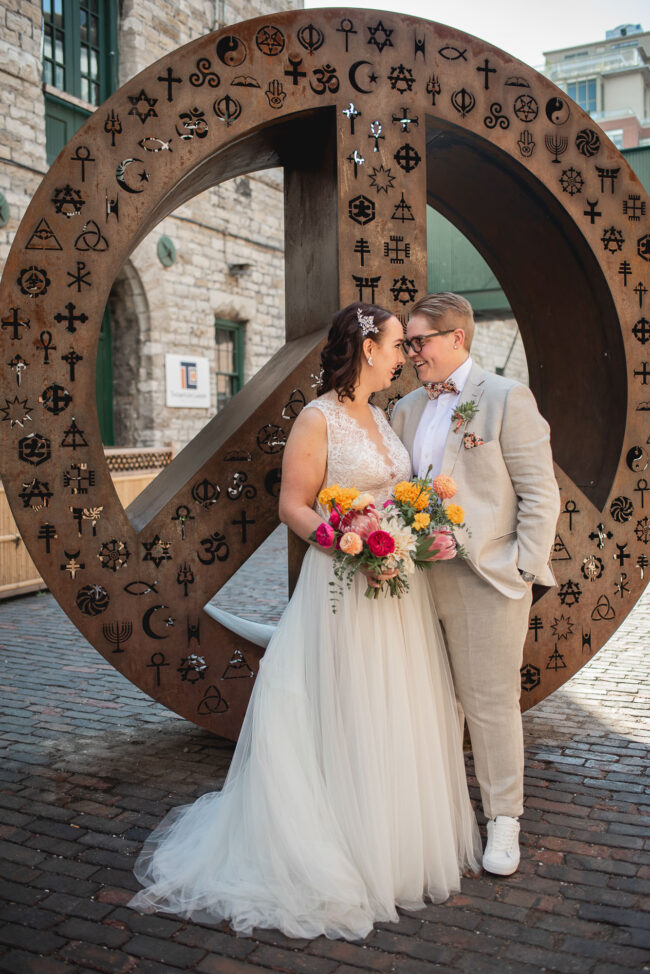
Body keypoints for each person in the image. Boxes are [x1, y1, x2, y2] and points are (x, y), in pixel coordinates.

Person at [127, 302, 482, 941]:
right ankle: (342, 844)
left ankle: (393, 842)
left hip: (397, 585)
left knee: (391, 704)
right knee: (346, 701)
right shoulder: (316, 420)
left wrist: (410, 534)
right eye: (399, 344)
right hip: (345, 578)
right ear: (369, 349)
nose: (405, 354)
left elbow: (401, 492)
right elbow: (292, 503)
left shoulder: (381, 417)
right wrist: (344, 541)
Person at [391, 292, 560, 877]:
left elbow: (541, 493)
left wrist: (520, 568)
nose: (412, 354)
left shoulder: (508, 398)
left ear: (457, 337)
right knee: (431, 703)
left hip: (487, 579)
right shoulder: (407, 409)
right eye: (408, 344)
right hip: (416, 581)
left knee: (491, 707)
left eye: (420, 341)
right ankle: (441, 818)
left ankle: (504, 822)